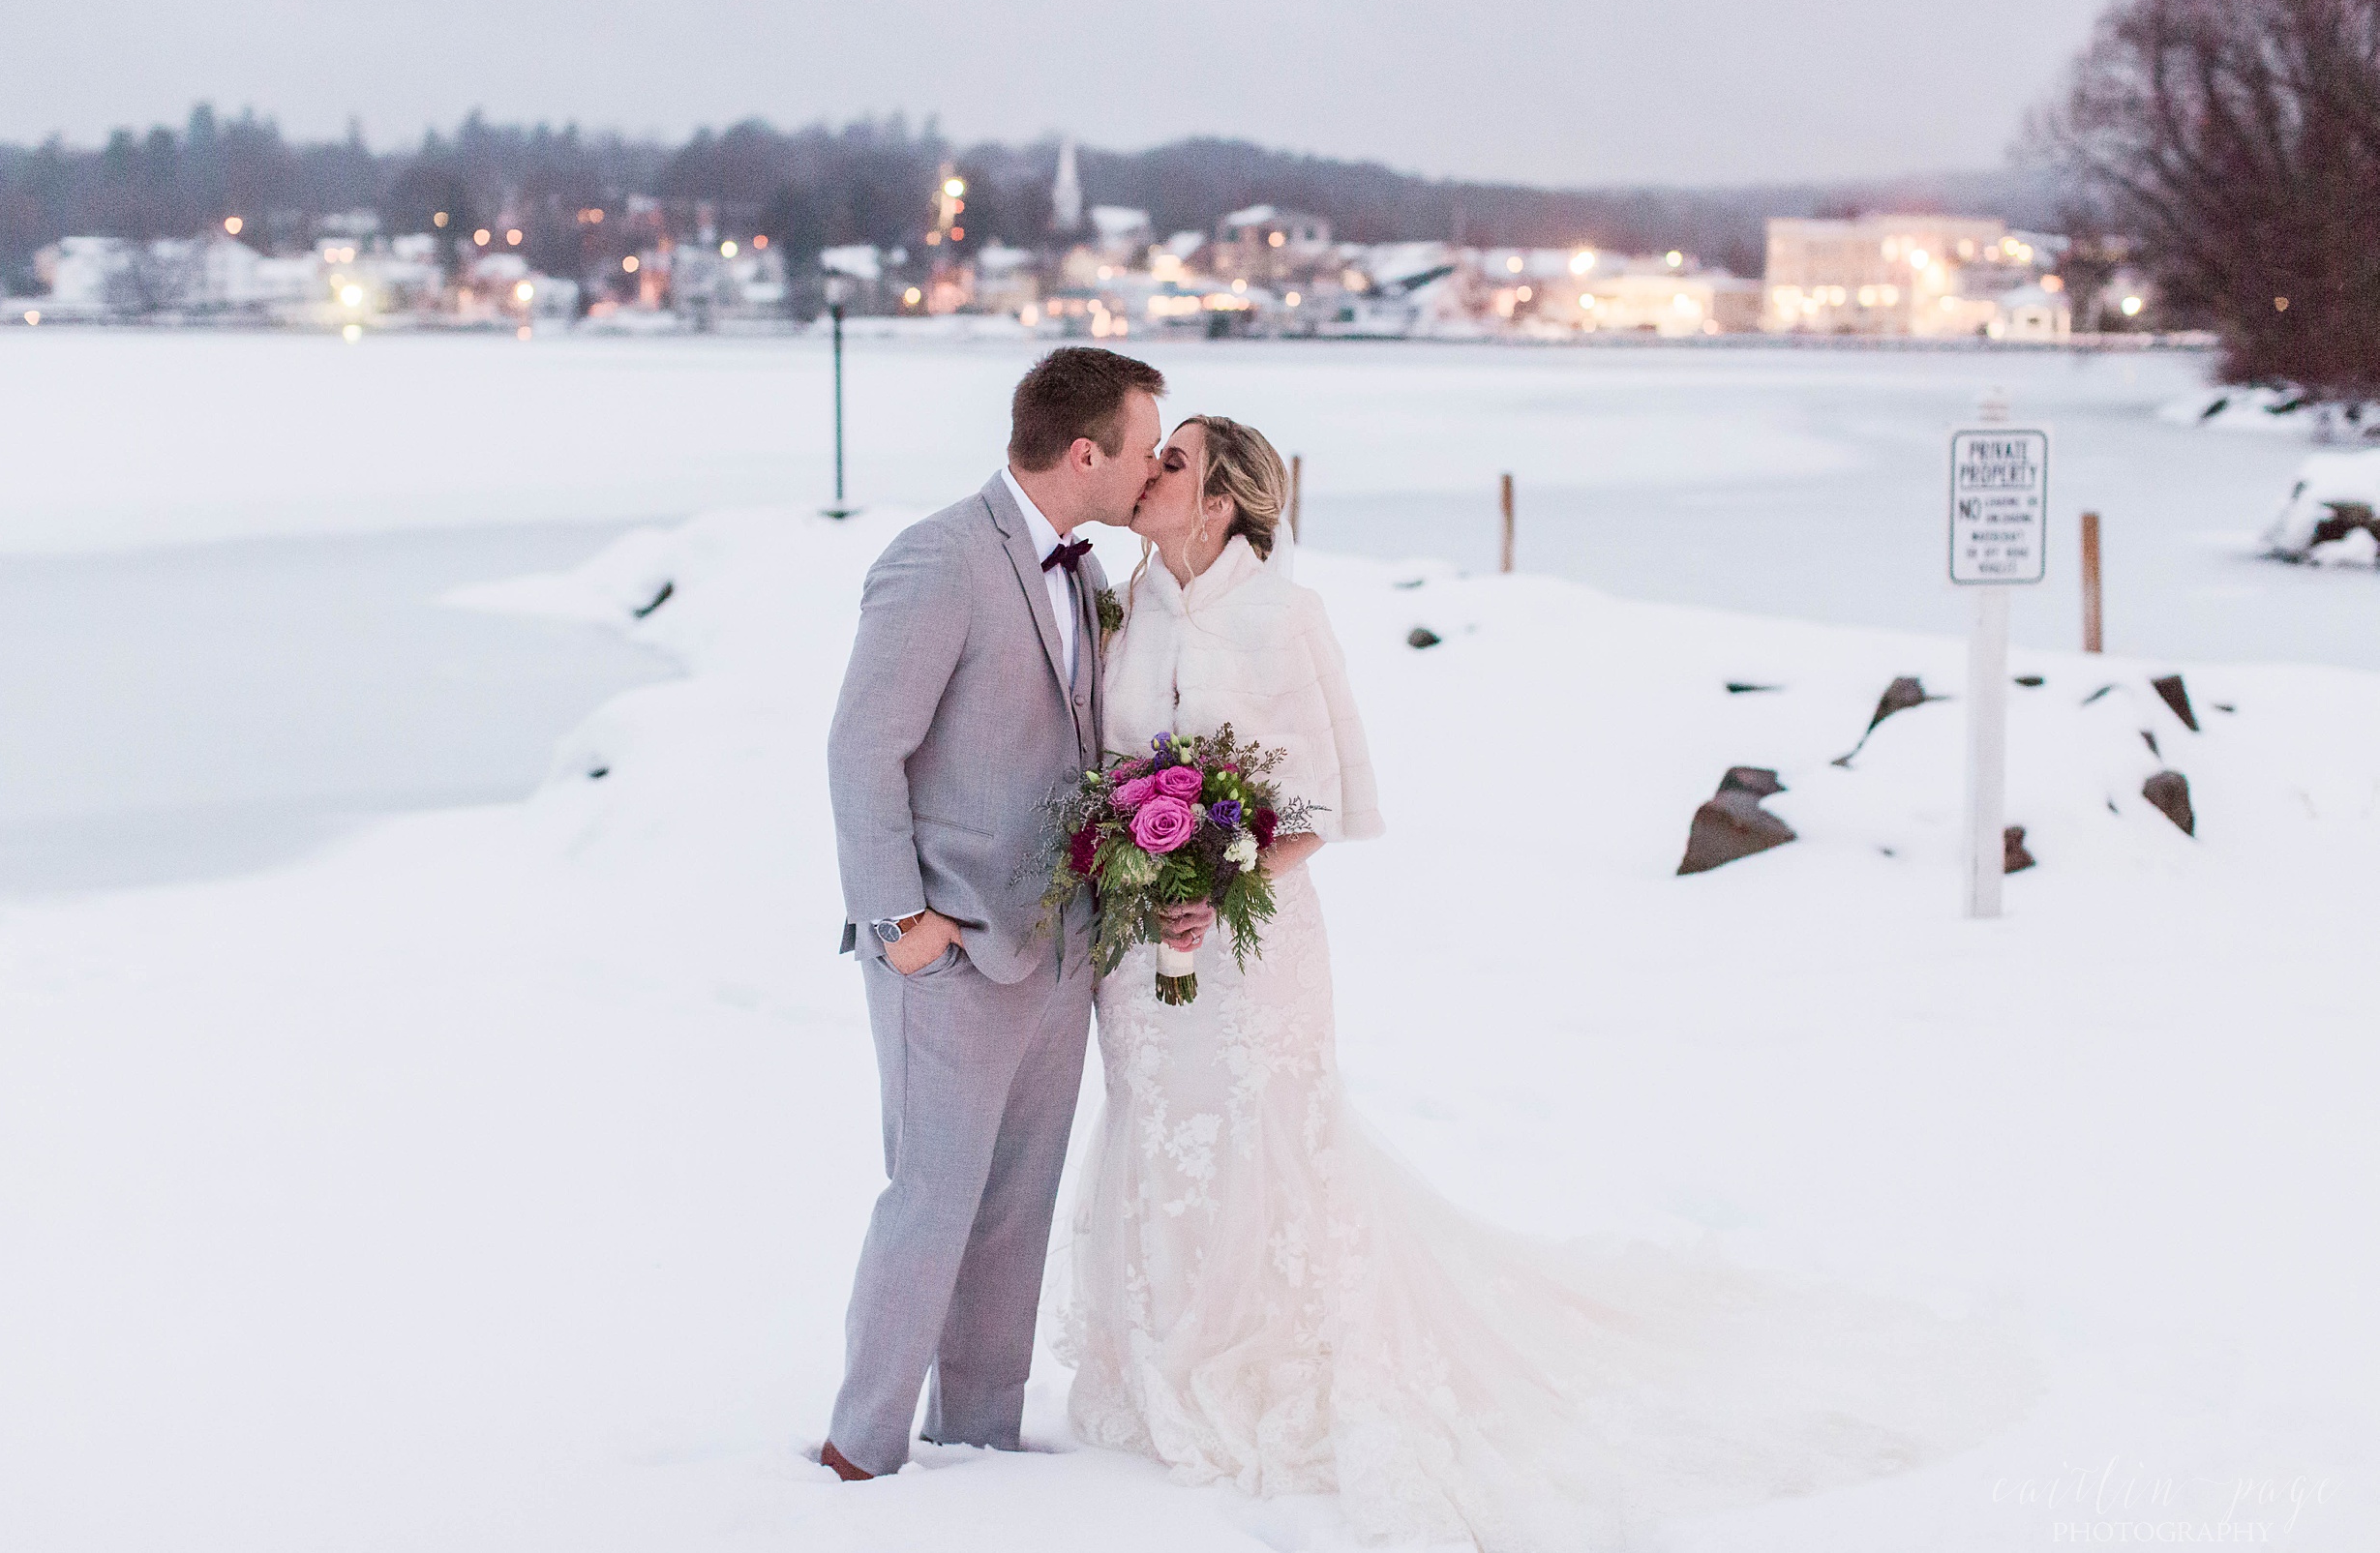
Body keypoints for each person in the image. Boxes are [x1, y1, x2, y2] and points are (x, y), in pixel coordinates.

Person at [1054, 414, 2038, 1548]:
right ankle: (1165, 1345)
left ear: (1220, 499)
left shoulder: (1284, 612)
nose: (1147, 473)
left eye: (1170, 461)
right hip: (1142, 951)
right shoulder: (1126, 605)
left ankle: (1268, 1352)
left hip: (1251, 940)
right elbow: (1108, 767)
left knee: (1261, 1133)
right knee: (1157, 1122)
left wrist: (1221, 881)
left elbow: (1319, 802)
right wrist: (1135, 860)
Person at [819, 347, 1212, 1480]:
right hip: (945, 951)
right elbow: (860, 751)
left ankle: (980, 1440)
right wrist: (901, 922)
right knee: (931, 1200)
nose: (1151, 467)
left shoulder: (1084, 572)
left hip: (1059, 952)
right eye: (1144, 447)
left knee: (1014, 1211)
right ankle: (861, 1449)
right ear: (1085, 451)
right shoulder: (936, 560)